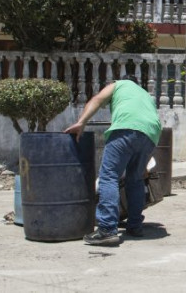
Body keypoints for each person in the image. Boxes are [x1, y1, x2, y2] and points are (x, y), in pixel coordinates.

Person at [64, 75, 161, 246]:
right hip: (151, 134)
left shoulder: (118, 84)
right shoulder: (145, 94)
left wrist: (81, 122)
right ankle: (135, 225)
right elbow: (146, 120)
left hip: (126, 128)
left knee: (109, 176)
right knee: (136, 179)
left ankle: (107, 229)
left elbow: (97, 99)